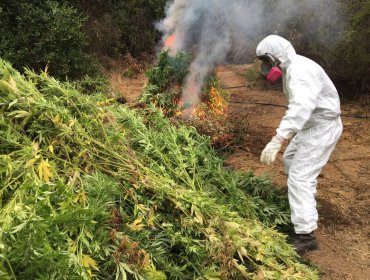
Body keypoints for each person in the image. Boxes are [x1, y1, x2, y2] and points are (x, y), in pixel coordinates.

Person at [255, 35, 343, 255]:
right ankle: (300, 201)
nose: (266, 66)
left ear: (276, 55)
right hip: (310, 126)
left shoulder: (300, 72)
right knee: (290, 161)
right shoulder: (292, 67)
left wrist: (277, 140)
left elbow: (299, 109)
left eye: (266, 60)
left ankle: (306, 235)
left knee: (300, 176)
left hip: (321, 128)